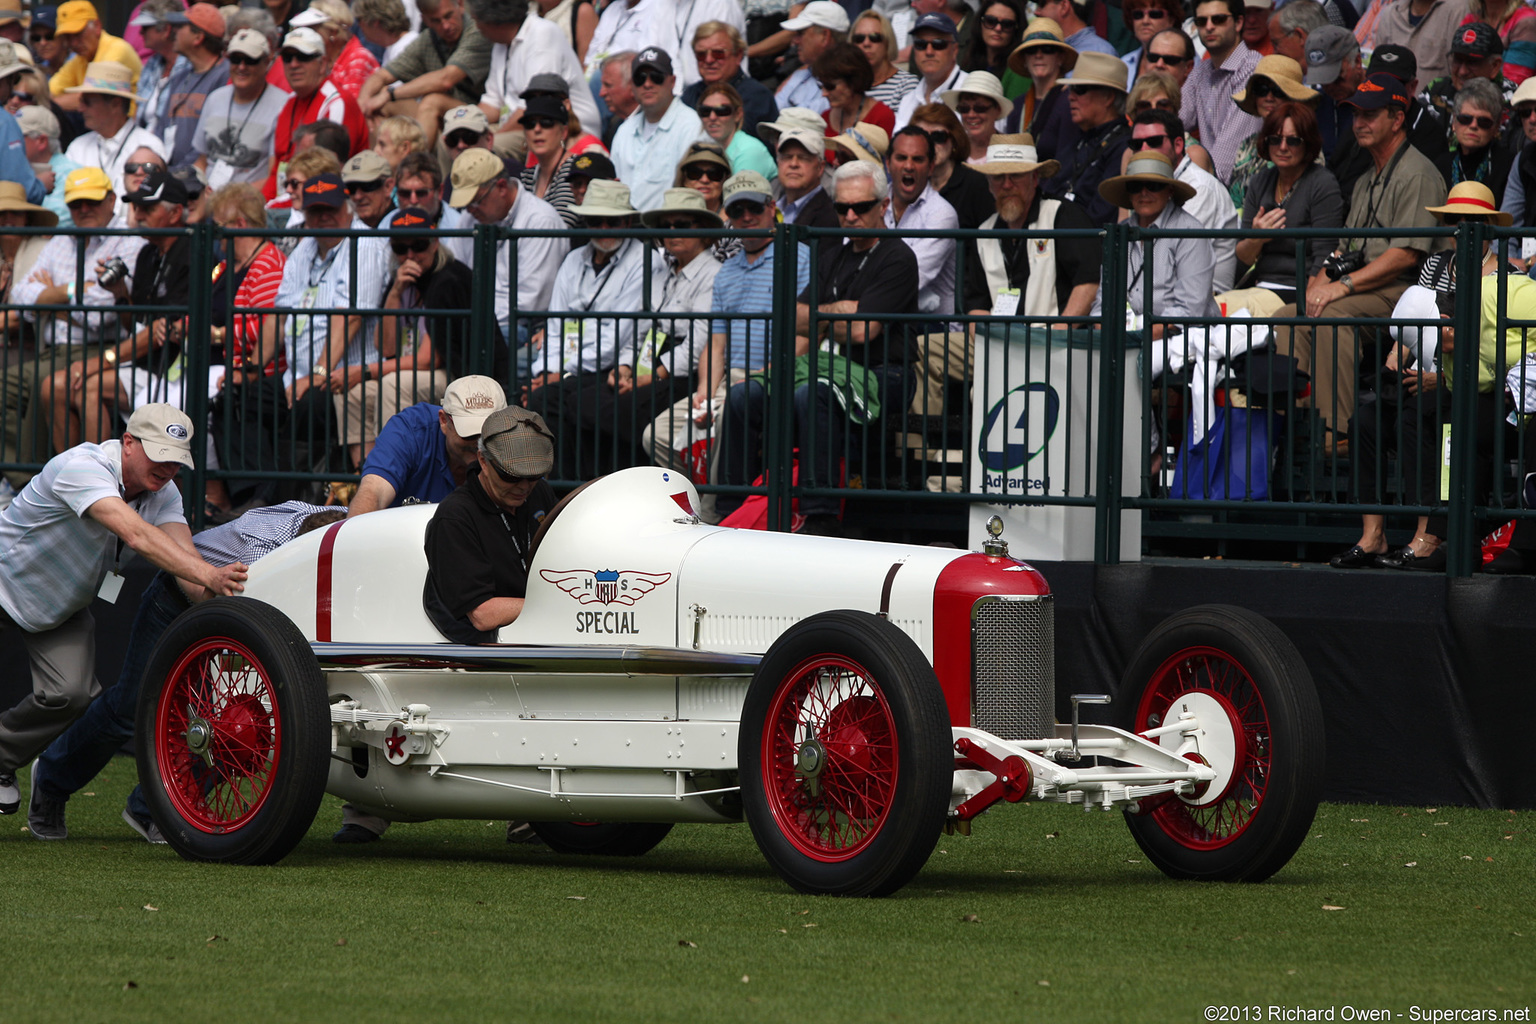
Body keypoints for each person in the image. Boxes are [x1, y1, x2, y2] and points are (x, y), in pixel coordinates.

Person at [25, 501, 345, 841]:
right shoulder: (263, 558)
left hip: (234, 607)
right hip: (176, 601)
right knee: (130, 708)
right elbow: (238, 617)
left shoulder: (343, 521)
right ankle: (50, 780)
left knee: (242, 729)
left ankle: (151, 809)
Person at [0, 404, 247, 822]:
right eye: (159, 455)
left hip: (60, 608)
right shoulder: (81, 466)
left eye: (176, 460)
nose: (168, 468)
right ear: (128, 443)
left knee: (72, 694)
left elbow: (184, 563)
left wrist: (226, 607)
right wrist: (211, 573)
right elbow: (135, 534)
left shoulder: (164, 492)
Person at [717, 162, 917, 534]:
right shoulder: (834, 256)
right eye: (842, 209)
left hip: (884, 372)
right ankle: (728, 508)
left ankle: (819, 515)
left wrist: (822, 317)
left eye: (861, 207)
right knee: (744, 394)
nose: (851, 216)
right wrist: (839, 314)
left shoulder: (898, 257)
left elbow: (862, 333)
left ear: (884, 205)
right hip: (829, 368)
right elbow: (795, 318)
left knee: (813, 394)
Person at [1332, 181, 1515, 571]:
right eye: (1455, 219)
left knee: (1423, 418)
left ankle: (1427, 535)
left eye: (1472, 220)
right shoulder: (1434, 265)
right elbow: (1411, 324)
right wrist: (1397, 359)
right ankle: (1373, 535)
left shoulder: (1506, 277)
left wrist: (1444, 378)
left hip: (1470, 388)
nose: (1461, 228)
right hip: (1423, 378)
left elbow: (1497, 353)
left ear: (1488, 227)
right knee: (1365, 421)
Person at [1272, 72, 1449, 442]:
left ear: (1397, 119)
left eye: (1370, 114)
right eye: (1356, 115)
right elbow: (1344, 250)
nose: (1360, 123)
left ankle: (1337, 433)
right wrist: (1317, 287)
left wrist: (1342, 287)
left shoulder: (1417, 172)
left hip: (1408, 293)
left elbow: (1405, 255)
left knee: (1333, 316)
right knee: (1290, 315)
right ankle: (1300, 429)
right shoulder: (1369, 176)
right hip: (1370, 286)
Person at [913, 133, 1096, 426]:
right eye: (998, 178)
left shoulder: (1063, 216)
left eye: (1016, 176)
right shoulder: (984, 232)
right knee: (924, 349)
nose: (1006, 185)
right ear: (988, 184)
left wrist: (1059, 329)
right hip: (998, 341)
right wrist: (994, 339)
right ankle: (925, 458)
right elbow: (975, 306)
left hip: (1054, 340)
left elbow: (1088, 282)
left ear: (1035, 178)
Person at [554, 188, 723, 479]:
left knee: (613, 411)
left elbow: (696, 347)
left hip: (681, 374)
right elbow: (641, 330)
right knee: (580, 401)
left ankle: (623, 485)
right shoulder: (660, 273)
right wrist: (624, 366)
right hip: (649, 361)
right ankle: (582, 488)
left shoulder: (714, 274)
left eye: (681, 226)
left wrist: (652, 375)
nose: (672, 233)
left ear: (704, 231)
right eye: (665, 227)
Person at [666, 171, 810, 512]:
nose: (746, 217)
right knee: (656, 435)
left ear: (772, 207)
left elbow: (806, 334)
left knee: (720, 427)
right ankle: (679, 513)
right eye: (736, 211)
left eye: (754, 208)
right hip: (727, 380)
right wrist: (704, 390)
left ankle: (716, 518)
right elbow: (716, 344)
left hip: (774, 377)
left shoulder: (799, 256)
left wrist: (767, 375)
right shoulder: (727, 269)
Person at [2, 167, 146, 495]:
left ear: (111, 200)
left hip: (100, 347)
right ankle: (21, 479)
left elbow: (101, 315)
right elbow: (22, 300)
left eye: (91, 201)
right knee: (5, 384)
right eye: (75, 202)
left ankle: (65, 483)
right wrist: (70, 291)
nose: (83, 209)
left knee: (46, 381)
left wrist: (51, 294)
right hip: (52, 348)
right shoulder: (62, 239)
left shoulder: (131, 240)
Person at [44, 169, 193, 455]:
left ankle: (99, 482)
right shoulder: (148, 253)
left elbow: (160, 331)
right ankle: (69, 480)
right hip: (141, 364)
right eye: (136, 207)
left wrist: (99, 362)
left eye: (148, 208)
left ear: (175, 214)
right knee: (55, 385)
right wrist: (121, 294)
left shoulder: (189, 252)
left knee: (89, 385)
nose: (137, 215)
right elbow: (134, 324)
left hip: (173, 369)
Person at [526, 179, 657, 477]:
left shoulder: (643, 260)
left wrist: (563, 372)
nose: (604, 228)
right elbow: (556, 324)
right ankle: (560, 487)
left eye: (612, 221)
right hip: (573, 366)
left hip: (611, 366)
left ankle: (570, 487)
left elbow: (617, 337)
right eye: (597, 220)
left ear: (626, 221)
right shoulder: (573, 259)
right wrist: (544, 371)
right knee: (536, 392)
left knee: (554, 399)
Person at [264, 172, 391, 467]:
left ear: (347, 208)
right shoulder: (305, 246)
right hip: (296, 375)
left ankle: (295, 495)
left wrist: (318, 373)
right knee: (242, 397)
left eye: (330, 209)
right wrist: (254, 367)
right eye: (315, 210)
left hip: (342, 375)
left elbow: (351, 318)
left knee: (310, 405)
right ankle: (250, 491)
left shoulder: (365, 244)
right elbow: (279, 315)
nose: (323, 217)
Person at [337, 207, 474, 468]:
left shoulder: (447, 278)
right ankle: (363, 473)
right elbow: (386, 347)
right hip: (418, 369)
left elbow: (428, 360)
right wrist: (395, 293)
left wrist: (365, 370)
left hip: (457, 374)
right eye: (401, 248)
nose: (410, 255)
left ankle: (393, 470)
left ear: (435, 243)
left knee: (391, 384)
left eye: (419, 245)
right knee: (350, 390)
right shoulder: (402, 279)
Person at [421, 404, 556, 643]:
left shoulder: (539, 493)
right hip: (487, 656)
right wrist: (561, 604)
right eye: (511, 475)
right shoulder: (455, 517)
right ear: (483, 460)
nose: (524, 486)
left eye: (534, 475)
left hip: (537, 637)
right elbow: (483, 614)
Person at [204, 182, 289, 511]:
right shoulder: (225, 266)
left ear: (239, 223)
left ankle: (251, 496)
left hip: (264, 372)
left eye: (219, 224)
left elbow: (266, 324)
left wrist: (218, 335)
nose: (216, 233)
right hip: (226, 367)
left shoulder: (267, 263)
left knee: (228, 396)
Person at [446, 147, 565, 368]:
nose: (469, 209)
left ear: (500, 187)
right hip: (480, 322)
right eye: (465, 203)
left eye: (475, 200)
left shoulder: (541, 221)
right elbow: (455, 274)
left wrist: (474, 326)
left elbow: (529, 304)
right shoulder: (470, 217)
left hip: (523, 326)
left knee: (462, 349)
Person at [1095, 148, 1218, 336]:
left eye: (1153, 185)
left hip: (1184, 343)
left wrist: (1135, 339)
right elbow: (1103, 303)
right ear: (1128, 193)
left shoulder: (1190, 232)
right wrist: (1107, 335)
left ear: (1170, 190)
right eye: (1135, 186)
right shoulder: (1119, 234)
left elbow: (1188, 311)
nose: (1143, 193)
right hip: (1126, 342)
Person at [1233, 101, 1343, 304]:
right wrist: (1256, 239)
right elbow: (1241, 260)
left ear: (1307, 142)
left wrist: (1304, 307)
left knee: (1224, 314)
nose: (1282, 147)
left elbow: (1325, 256)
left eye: (1293, 141)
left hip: (1297, 291)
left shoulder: (1322, 183)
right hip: (1260, 286)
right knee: (1214, 309)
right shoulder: (1260, 181)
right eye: (1275, 140)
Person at [348, 374, 506, 513]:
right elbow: (373, 491)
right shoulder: (411, 430)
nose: (479, 443)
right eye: (470, 433)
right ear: (444, 421)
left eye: (488, 434)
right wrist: (352, 543)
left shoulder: (518, 440)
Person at [1125, 109, 1238, 291]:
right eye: (1136, 145)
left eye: (1154, 142)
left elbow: (1172, 259)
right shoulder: (1141, 187)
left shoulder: (1199, 187)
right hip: (1151, 295)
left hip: (1204, 300)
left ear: (1178, 145)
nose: (1144, 150)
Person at [357, 0, 493, 149]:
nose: (446, 26)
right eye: (436, 20)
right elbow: (381, 76)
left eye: (448, 16)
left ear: (460, 5)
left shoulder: (477, 31)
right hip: (445, 114)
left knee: (432, 101)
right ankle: (378, 165)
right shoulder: (428, 39)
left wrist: (390, 94)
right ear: (425, 19)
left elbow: (446, 79)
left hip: (476, 111)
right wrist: (363, 102)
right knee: (379, 106)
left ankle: (417, 165)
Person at [471, 0, 602, 147]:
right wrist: (465, 125)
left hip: (560, 128)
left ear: (494, 21)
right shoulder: (500, 44)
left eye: (477, 21)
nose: (476, 27)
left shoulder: (543, 34)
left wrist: (489, 141)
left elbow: (536, 106)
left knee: (482, 149)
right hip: (518, 125)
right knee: (455, 141)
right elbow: (492, 104)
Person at [265, 29, 369, 201]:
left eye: (303, 57)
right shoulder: (287, 103)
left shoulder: (337, 102)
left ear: (322, 64)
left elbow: (326, 177)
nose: (294, 64)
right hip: (288, 200)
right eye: (288, 58)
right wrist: (263, 206)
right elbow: (276, 169)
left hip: (326, 203)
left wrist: (272, 209)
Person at [610, 48, 706, 211]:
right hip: (625, 230)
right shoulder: (623, 131)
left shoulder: (692, 126)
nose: (648, 84)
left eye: (656, 77)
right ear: (632, 86)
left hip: (670, 230)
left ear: (673, 81)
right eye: (640, 79)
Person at [1041, 51, 1130, 225]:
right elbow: (1048, 192)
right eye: (1071, 89)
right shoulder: (1079, 139)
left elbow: (1101, 214)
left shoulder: (1124, 146)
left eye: (1080, 90)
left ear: (1108, 97)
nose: (1070, 97)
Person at [192, 28, 285, 191]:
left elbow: (274, 175)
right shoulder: (215, 98)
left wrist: (230, 199)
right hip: (207, 199)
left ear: (266, 63)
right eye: (235, 59)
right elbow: (202, 161)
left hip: (248, 204)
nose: (241, 67)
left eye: (250, 60)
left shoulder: (281, 104)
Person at [1180, 0, 1262, 183]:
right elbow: (1173, 124)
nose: (1209, 27)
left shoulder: (1254, 69)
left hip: (1244, 193)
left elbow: (1226, 163)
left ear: (1239, 23)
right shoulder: (1200, 72)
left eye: (1218, 19)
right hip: (1208, 185)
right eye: (1201, 21)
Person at [885, 126, 958, 323]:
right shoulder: (870, 203)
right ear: (888, 162)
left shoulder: (942, 214)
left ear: (931, 167)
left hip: (932, 330)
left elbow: (906, 280)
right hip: (880, 320)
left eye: (917, 159)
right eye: (901, 158)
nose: (908, 166)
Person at [1225, 52, 1318, 206]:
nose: (1269, 97)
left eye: (1278, 91)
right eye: (1261, 90)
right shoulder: (1247, 145)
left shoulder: (1305, 145)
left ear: (1294, 98)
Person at [62, 61, 165, 194]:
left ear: (115, 104)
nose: (80, 109)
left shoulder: (150, 146)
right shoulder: (77, 148)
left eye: (87, 102)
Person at [1419, 22, 1517, 145]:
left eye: (1472, 62)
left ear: (1495, 66)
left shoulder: (1514, 101)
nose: (1462, 71)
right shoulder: (1436, 91)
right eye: (1458, 60)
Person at [157, 3, 228, 172]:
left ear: (198, 37)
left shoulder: (225, 75)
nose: (173, 31)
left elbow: (209, 140)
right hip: (167, 173)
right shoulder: (179, 77)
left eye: (181, 27)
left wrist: (179, 173)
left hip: (195, 178)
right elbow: (161, 128)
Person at [682, 21, 777, 139]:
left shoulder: (757, 96)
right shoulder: (690, 93)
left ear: (738, 55)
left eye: (718, 54)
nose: (709, 60)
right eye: (701, 54)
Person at [909, 101, 996, 227]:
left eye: (938, 136)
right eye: (921, 137)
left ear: (954, 140)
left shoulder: (976, 184)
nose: (929, 144)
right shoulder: (909, 183)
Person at [49, 1, 144, 112]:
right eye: (68, 37)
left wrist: (51, 103)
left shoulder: (117, 49)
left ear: (97, 26)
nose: (73, 43)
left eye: (78, 33)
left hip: (130, 125)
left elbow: (93, 99)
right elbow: (49, 92)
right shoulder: (81, 58)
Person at [1433, 78, 1515, 205]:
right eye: (1465, 119)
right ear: (1454, 122)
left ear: (1496, 127)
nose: (1473, 126)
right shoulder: (1441, 166)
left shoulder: (1508, 166)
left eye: (1483, 121)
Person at [0, 182, 57, 348]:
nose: (8, 219)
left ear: (26, 218)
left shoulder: (44, 251)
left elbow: (22, 315)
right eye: (2, 212)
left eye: (16, 212)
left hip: (27, 346)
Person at [1005, 17, 1075, 146]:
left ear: (1060, 57)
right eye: (1031, 50)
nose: (1038, 55)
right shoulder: (1017, 106)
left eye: (1047, 49)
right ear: (1024, 60)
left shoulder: (1070, 101)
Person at [289, 0, 377, 102]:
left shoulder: (358, 59)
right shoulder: (319, 58)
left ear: (333, 32)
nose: (306, 35)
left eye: (312, 30)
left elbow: (350, 108)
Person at [1370, 0, 1466, 90]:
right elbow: (1376, 73)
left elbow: (1461, 74)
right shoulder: (1391, 14)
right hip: (1391, 105)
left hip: (1434, 106)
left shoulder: (1458, 11)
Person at [518, 95, 584, 226]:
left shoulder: (573, 169)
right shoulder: (528, 175)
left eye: (546, 123)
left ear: (563, 132)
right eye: (530, 124)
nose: (537, 129)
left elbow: (561, 227)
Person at [894, 13, 966, 132]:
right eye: (921, 44)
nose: (929, 51)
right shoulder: (907, 100)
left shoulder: (973, 91)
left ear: (955, 50)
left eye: (938, 44)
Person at [775, 1, 847, 115]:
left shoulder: (846, 84)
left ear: (824, 36)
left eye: (801, 33)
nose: (795, 41)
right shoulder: (801, 75)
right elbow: (773, 114)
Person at [815, 40, 895, 139]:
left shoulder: (881, 116)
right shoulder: (825, 118)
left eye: (830, 86)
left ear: (853, 81)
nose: (824, 94)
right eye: (821, 86)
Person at [0, 41, 47, 207]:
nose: (13, 86)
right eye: (14, 79)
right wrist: (41, 185)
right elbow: (17, 189)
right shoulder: (4, 122)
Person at [700, 81, 778, 180]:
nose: (712, 117)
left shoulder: (749, 150)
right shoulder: (704, 146)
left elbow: (742, 195)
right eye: (705, 111)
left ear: (738, 114)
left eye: (722, 110)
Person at [852, 10, 917, 114]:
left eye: (874, 37)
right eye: (859, 38)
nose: (866, 43)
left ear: (887, 41)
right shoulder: (847, 85)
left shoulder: (906, 85)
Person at [945, 70, 1012, 164]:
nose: (971, 115)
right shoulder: (951, 152)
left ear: (998, 110)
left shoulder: (1012, 153)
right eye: (964, 108)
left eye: (980, 108)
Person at [1462, 0, 1536, 85]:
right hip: (1468, 92)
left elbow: (1513, 83)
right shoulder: (1471, 18)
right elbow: (1456, 71)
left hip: (1503, 95)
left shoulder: (1526, 20)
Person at [966, 0, 1026, 89]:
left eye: (1007, 24)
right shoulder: (967, 57)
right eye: (990, 21)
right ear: (980, 23)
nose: (998, 28)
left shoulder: (1019, 70)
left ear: (1016, 29)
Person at [1120, 0, 1182, 81]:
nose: (1145, 21)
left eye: (1155, 14)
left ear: (1171, 19)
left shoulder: (1188, 61)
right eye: (1138, 14)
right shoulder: (1124, 63)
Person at [1032, 0, 1118, 56]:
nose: (1036, 12)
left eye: (1042, 4)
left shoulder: (1099, 52)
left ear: (1064, 6)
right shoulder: (1040, 49)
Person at [341, 149, 396, 228]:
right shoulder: (342, 227)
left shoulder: (403, 227)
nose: (358, 196)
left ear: (388, 187)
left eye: (366, 186)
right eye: (351, 188)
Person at [356, 0, 420, 67]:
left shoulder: (405, 48)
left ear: (375, 22)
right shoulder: (394, 47)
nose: (359, 25)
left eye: (359, 19)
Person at [598, 51, 637, 147]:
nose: (601, 93)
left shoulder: (655, 122)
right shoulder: (614, 127)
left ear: (632, 86)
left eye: (608, 85)